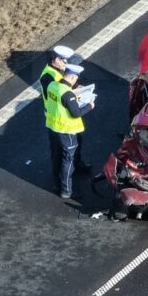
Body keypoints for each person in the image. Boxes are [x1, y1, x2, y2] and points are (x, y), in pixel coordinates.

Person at [46, 63, 95, 199]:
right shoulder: (68, 94)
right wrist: (90, 106)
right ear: (73, 77)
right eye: (76, 79)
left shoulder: (52, 85)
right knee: (68, 160)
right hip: (66, 131)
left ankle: (56, 183)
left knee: (56, 156)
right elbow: (76, 113)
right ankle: (66, 190)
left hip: (53, 127)